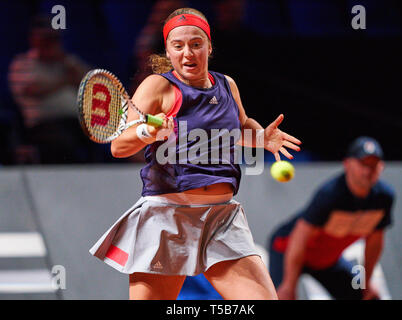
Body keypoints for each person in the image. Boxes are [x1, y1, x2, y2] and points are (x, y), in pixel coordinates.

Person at [89, 7, 301, 300]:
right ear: (168, 50)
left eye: (196, 44)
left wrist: (261, 137)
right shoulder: (158, 87)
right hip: (167, 220)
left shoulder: (227, 85)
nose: (187, 53)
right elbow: (118, 145)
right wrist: (147, 133)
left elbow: (239, 127)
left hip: (222, 219)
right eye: (178, 46)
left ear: (209, 47)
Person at [269, 136, 395, 300]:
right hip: (287, 250)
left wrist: (367, 282)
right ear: (347, 164)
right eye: (363, 164)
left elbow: (374, 244)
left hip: (326, 261)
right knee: (283, 297)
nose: (368, 170)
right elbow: (299, 238)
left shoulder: (384, 198)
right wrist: (288, 285)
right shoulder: (331, 195)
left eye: (373, 165)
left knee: (369, 297)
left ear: (381, 167)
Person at [8, 16, 91, 164]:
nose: (50, 43)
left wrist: (66, 62)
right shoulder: (23, 63)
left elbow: (94, 82)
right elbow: (32, 90)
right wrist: (65, 81)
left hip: (78, 121)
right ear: (34, 39)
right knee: (64, 142)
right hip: (43, 123)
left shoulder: (67, 61)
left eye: (54, 39)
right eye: (46, 39)